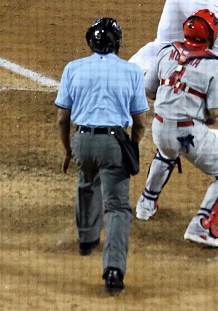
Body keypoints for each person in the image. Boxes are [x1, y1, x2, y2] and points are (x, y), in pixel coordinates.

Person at [135, 9, 218, 248]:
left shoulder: (166, 52)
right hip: (188, 134)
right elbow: (215, 114)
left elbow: (150, 90)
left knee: (165, 154)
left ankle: (146, 204)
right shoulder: (214, 65)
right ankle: (201, 226)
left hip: (159, 127)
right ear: (212, 36)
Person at [56, 17, 149, 296]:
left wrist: (68, 150)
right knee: (118, 208)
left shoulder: (73, 68)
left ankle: (86, 240)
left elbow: (62, 118)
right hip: (113, 142)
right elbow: (140, 122)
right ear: (117, 43)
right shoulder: (132, 71)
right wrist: (131, 147)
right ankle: (113, 270)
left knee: (87, 181)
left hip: (81, 140)